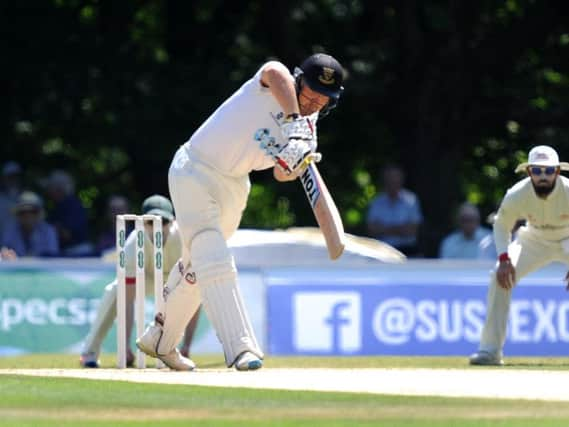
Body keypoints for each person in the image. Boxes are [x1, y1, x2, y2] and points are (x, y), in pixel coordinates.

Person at [136, 53, 345, 371]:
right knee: (212, 253)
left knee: (199, 265)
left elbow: (280, 174)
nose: (314, 102)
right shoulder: (277, 85)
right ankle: (242, 348)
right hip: (195, 167)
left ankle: (161, 339)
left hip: (235, 185)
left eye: (323, 99)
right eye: (311, 93)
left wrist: (297, 158)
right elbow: (274, 69)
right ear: (299, 81)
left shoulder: (309, 126)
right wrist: (292, 124)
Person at [469, 145, 569, 366]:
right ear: (529, 172)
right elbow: (501, 226)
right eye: (538, 171)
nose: (543, 177)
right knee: (499, 276)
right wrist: (504, 260)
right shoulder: (517, 194)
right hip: (533, 239)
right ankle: (490, 351)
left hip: (567, 238)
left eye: (549, 171)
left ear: (558, 172)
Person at [80, 195, 201, 368]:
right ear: (142, 223)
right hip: (146, 278)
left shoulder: (183, 239)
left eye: (163, 222)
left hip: (175, 280)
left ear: (173, 221)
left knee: (200, 290)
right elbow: (127, 298)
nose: (157, 229)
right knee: (115, 290)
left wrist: (186, 346)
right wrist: (125, 346)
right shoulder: (133, 243)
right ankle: (89, 351)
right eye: (151, 223)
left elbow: (192, 295)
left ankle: (234, 347)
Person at [366, 164, 423, 256]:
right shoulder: (376, 202)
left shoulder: (411, 200)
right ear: (384, 180)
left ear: (401, 179)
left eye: (395, 177)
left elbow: (412, 231)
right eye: (389, 178)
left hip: (408, 251)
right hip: (382, 252)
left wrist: (384, 229)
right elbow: (372, 231)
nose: (392, 181)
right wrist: (401, 229)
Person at [43, 170, 93, 256]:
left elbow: (67, 234)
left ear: (59, 189)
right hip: (68, 252)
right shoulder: (58, 206)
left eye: (50, 187)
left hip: (78, 253)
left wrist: (47, 228)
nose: (48, 191)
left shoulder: (72, 205)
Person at [0, 191, 59, 259]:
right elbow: (4, 253)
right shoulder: (9, 231)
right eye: (23, 212)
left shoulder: (48, 231)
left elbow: (52, 257)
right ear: (18, 214)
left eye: (33, 211)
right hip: (15, 268)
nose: (28, 215)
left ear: (39, 214)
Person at [0, 161, 24, 238]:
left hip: (22, 242)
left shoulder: (26, 198)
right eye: (10, 177)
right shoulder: (1, 199)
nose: (13, 179)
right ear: (4, 178)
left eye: (15, 176)